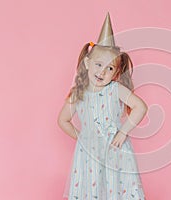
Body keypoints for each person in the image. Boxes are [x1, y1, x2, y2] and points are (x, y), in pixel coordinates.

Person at [57, 12, 147, 200]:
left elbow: (140, 107)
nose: (102, 72)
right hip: (89, 154)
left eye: (110, 68)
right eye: (98, 64)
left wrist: (123, 132)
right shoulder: (79, 92)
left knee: (117, 189)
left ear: (115, 72)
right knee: (92, 190)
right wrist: (81, 137)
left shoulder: (115, 89)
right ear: (87, 63)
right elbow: (63, 120)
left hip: (116, 151)